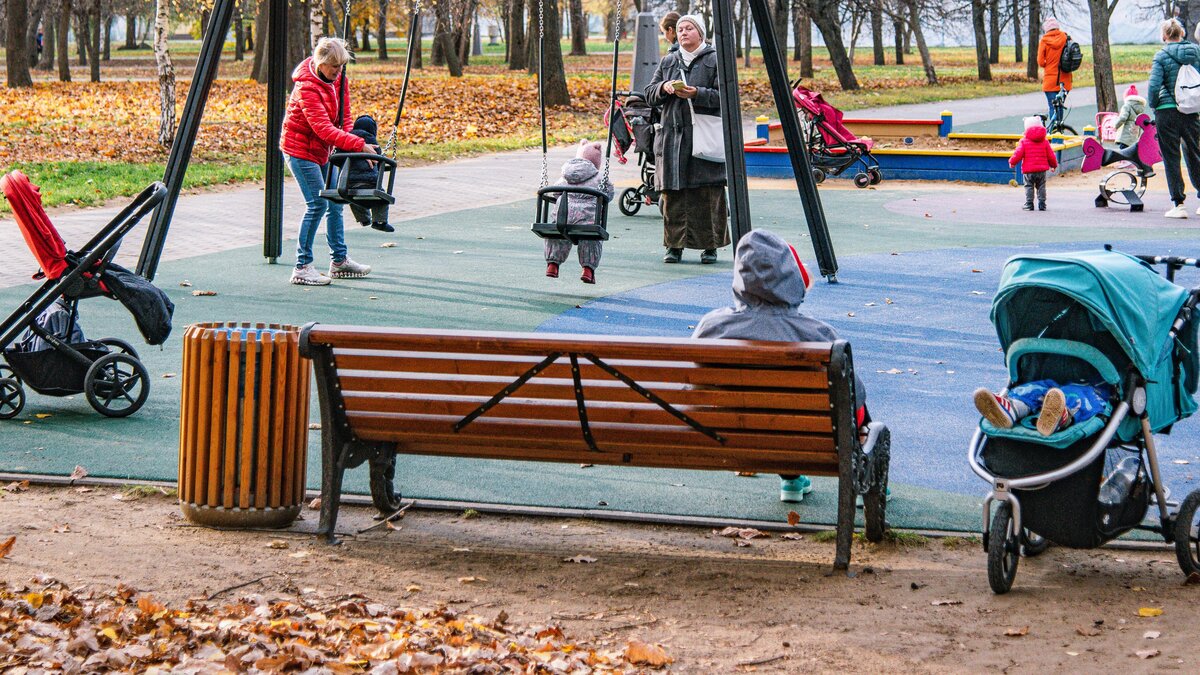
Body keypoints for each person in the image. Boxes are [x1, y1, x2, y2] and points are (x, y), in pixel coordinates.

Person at [692, 230, 869, 503]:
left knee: (771, 411)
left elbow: (694, 383)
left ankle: (791, 479)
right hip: (806, 433)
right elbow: (853, 393)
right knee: (852, 399)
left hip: (730, 433)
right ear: (792, 278)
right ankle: (862, 477)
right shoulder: (817, 334)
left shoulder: (712, 327)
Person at [279, 37, 373, 286]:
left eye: (342, 66)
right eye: (334, 67)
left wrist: (354, 142)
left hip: (323, 150)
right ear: (321, 63)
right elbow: (322, 128)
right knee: (317, 204)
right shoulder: (306, 88)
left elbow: (345, 116)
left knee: (335, 202)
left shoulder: (339, 78)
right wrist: (357, 144)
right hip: (299, 151)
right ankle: (302, 267)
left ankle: (339, 261)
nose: (338, 71)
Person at [645, 14, 730, 265]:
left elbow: (726, 95)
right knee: (675, 194)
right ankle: (674, 246)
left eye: (689, 28)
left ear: (701, 33)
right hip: (672, 137)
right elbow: (649, 93)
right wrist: (664, 88)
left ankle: (710, 246)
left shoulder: (715, 60)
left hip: (703, 136)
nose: (683, 32)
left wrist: (698, 94)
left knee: (707, 193)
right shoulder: (669, 60)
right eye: (680, 29)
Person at [1148, 19, 1200, 219]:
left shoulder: (1161, 56)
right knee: (1194, 153)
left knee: (1171, 157)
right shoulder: (1196, 53)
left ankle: (1179, 204)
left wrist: (1154, 104)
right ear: (1182, 34)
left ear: (1164, 36)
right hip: (1191, 110)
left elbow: (1154, 87)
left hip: (1167, 111)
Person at [544, 140, 613, 284]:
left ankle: (553, 265)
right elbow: (609, 194)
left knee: (558, 234)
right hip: (587, 221)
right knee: (591, 240)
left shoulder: (564, 176)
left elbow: (556, 193)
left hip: (563, 219)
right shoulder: (599, 178)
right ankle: (588, 270)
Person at [974, 380, 1113, 437]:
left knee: (1078, 396)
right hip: (1061, 382)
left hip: (1097, 387)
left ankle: (1062, 415)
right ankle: (1013, 408)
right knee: (1038, 386)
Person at [345, 114, 395, 233]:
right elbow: (377, 157)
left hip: (347, 183)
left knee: (353, 197)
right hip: (369, 182)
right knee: (381, 199)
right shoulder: (370, 139)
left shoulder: (346, 139)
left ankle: (363, 219)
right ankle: (379, 222)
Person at [1009, 122, 1058, 211]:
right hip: (1041, 170)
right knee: (1041, 186)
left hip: (1029, 170)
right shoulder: (1045, 142)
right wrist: (1053, 165)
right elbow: (1051, 155)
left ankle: (1029, 204)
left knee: (1029, 186)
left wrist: (1012, 162)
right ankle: (1042, 204)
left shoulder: (1024, 141)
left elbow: (1018, 154)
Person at [1037, 18, 1072, 128]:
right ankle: (1059, 131)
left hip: (1050, 81)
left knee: (1053, 107)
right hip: (1065, 80)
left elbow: (1041, 62)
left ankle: (1053, 131)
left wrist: (1050, 61)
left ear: (1046, 29)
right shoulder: (1066, 37)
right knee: (1060, 106)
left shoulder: (1044, 41)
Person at [1113, 84, 1147, 149]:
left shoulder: (1126, 106)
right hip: (1135, 135)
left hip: (1125, 137)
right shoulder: (1140, 108)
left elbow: (1123, 118)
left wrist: (1116, 126)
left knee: (1123, 153)